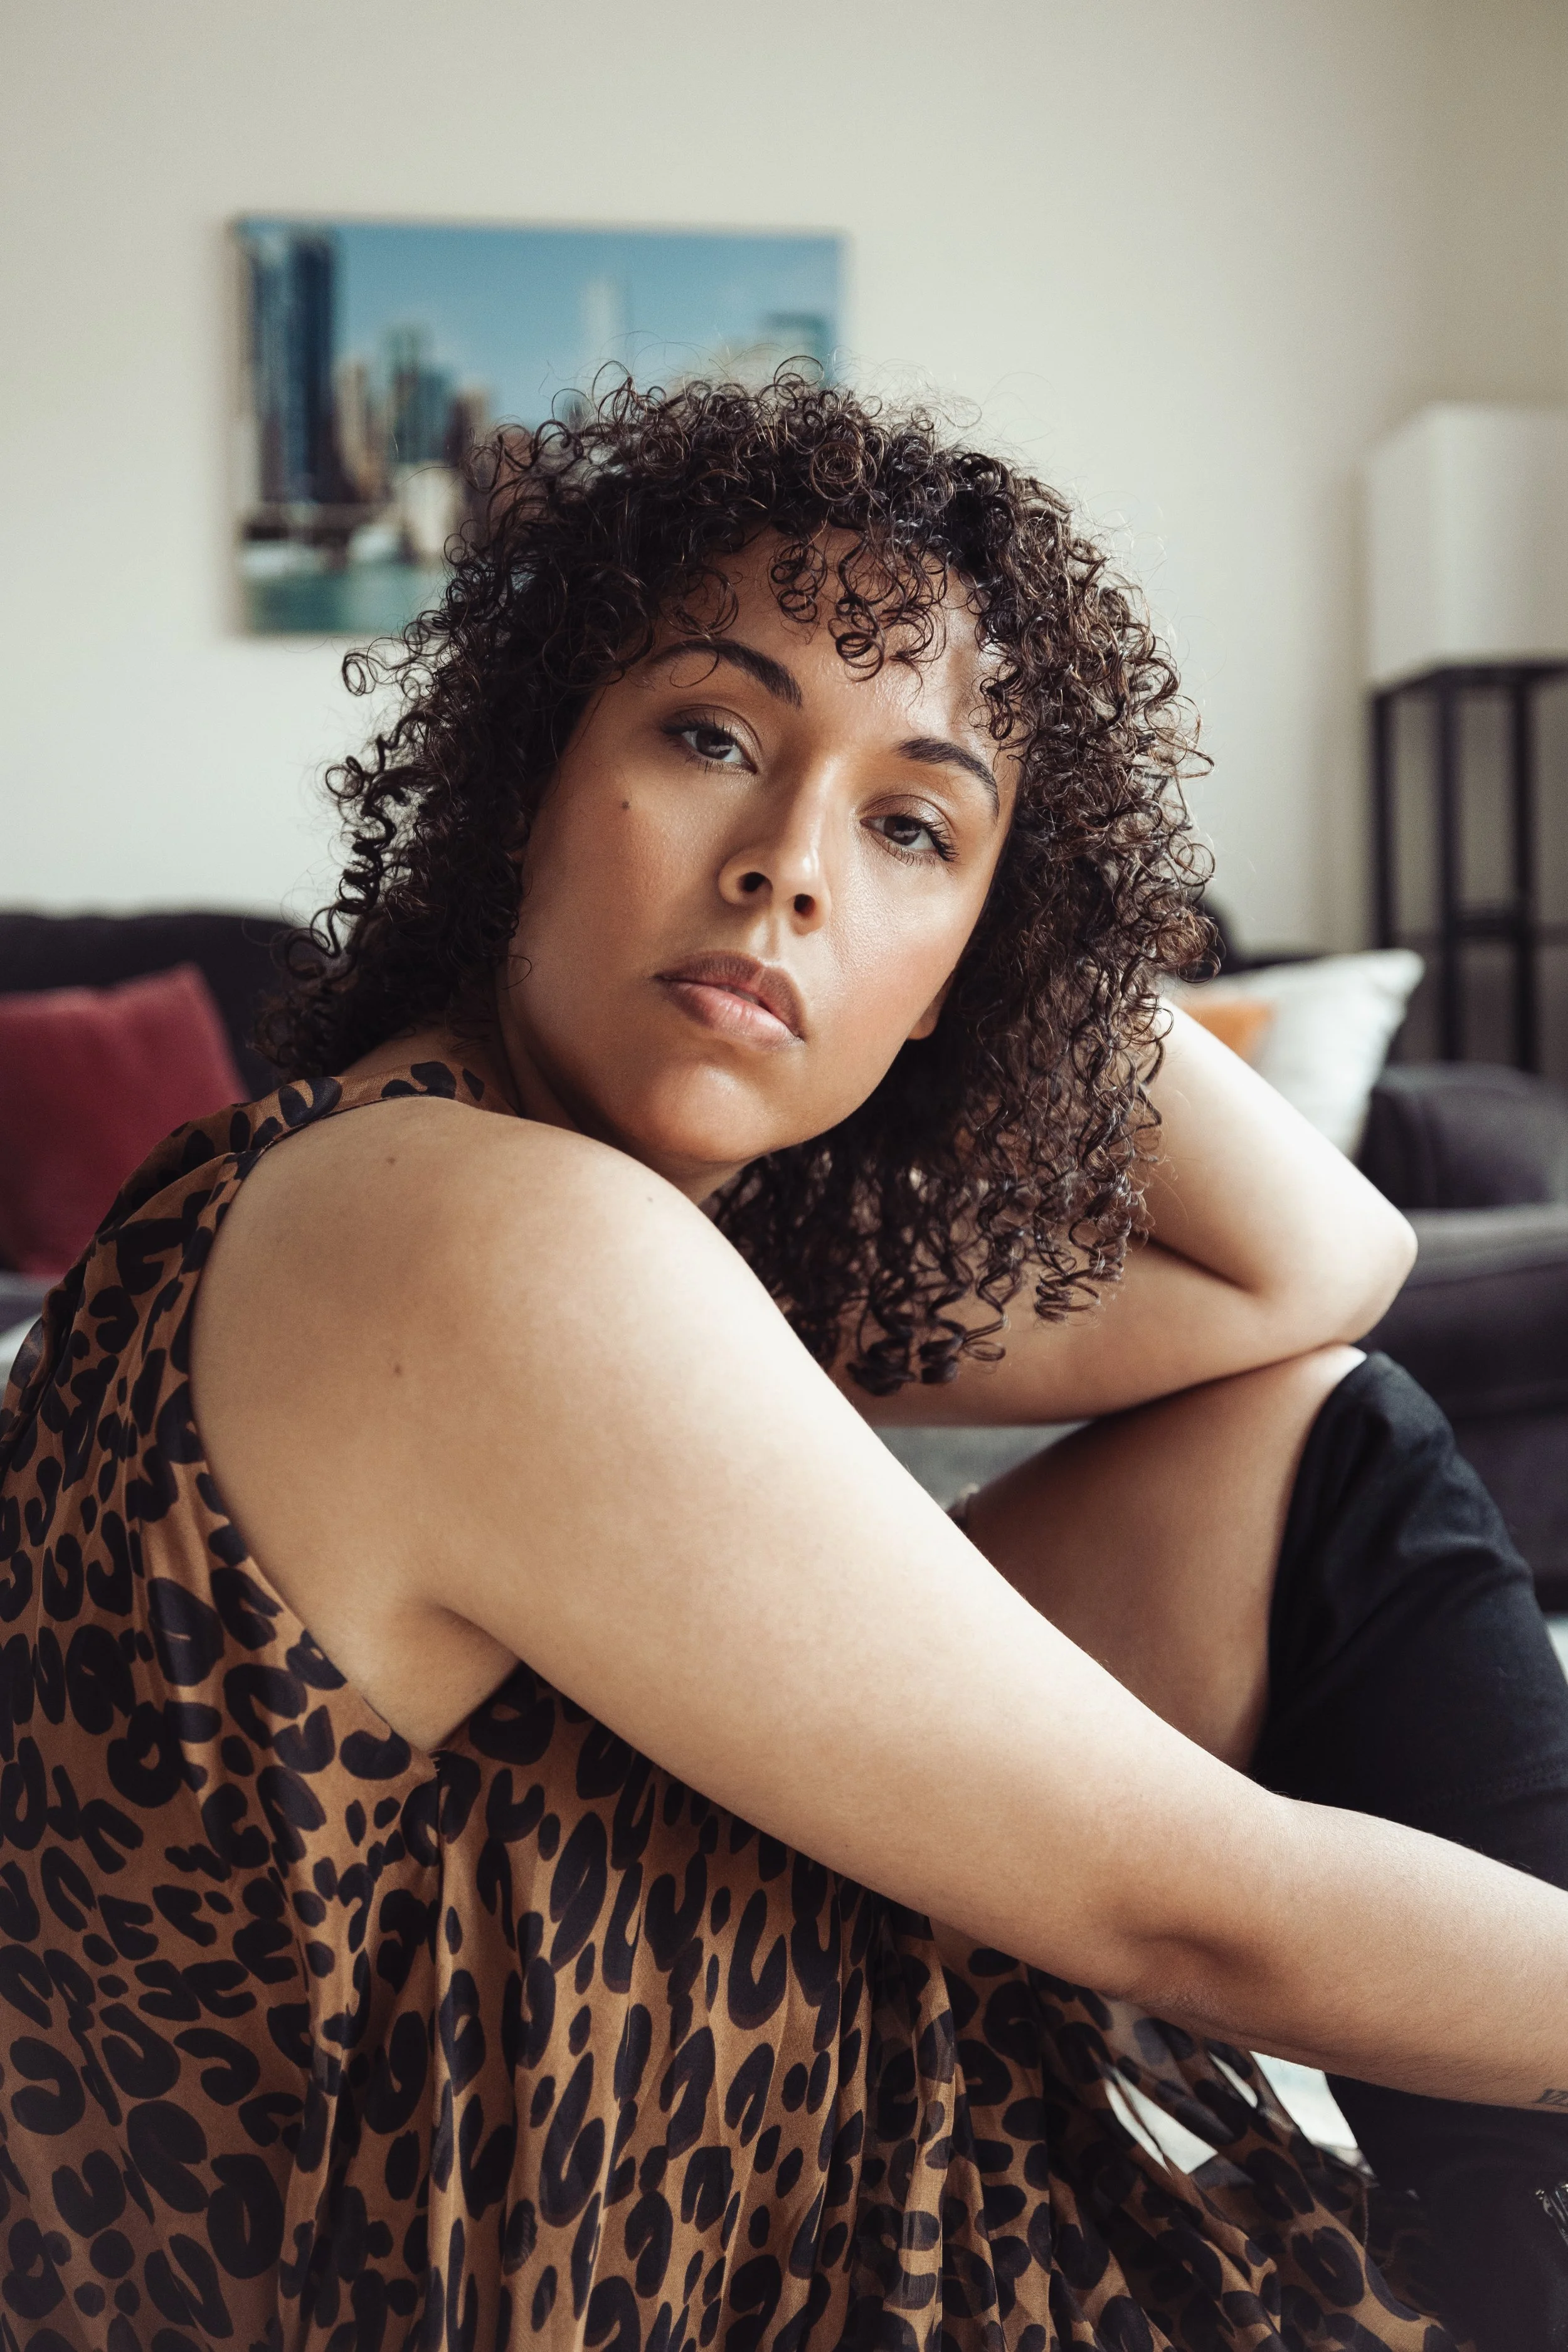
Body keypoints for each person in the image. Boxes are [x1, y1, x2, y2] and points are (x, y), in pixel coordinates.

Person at [5, 378, 1568, 2352]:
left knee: (1319, 1444)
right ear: (527, 784)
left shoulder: (546, 1209)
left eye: (904, 825)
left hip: (596, 2143)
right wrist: (929, 848)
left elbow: (1324, 1269)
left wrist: (1000, 930)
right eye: (711, 732)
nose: (786, 865)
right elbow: (1197, 1911)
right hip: (526, 2276)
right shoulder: (473, 1233)